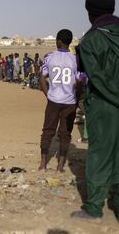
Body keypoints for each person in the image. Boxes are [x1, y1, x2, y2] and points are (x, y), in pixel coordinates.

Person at [71, 0, 119, 224]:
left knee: (100, 154)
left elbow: (97, 77)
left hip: (104, 106)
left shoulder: (91, 40)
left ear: (90, 13)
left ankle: (93, 209)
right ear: (113, 7)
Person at [38, 29, 79, 172]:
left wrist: (48, 94)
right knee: (65, 133)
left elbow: (42, 78)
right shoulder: (76, 59)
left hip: (53, 100)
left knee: (48, 130)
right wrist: (77, 98)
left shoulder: (49, 57)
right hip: (70, 102)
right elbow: (80, 81)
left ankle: (43, 164)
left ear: (58, 41)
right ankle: (60, 166)